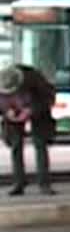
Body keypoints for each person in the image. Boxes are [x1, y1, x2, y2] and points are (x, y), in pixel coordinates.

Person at [0, 64, 56, 196]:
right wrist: (7, 112)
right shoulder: (2, 81)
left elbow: (49, 98)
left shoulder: (34, 78)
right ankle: (18, 183)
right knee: (15, 146)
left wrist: (31, 110)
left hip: (38, 112)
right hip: (12, 114)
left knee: (40, 144)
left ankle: (44, 184)